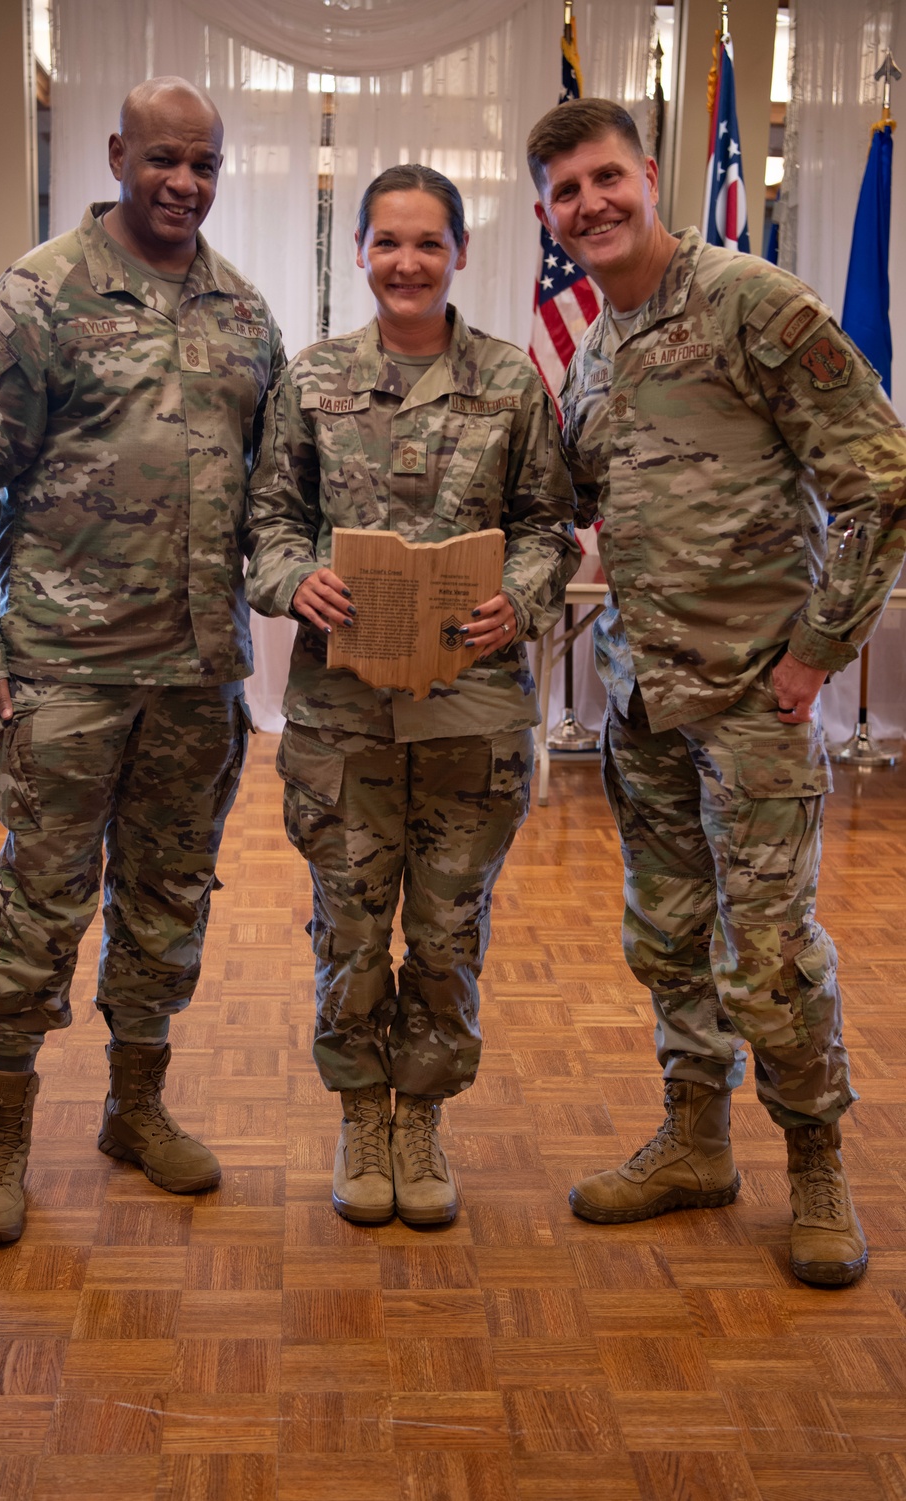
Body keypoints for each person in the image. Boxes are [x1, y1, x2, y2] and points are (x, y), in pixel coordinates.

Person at [526, 97, 906, 1286]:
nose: (589, 204)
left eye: (605, 178)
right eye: (564, 193)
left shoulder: (751, 301)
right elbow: (596, 507)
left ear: (649, 175)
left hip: (754, 702)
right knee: (668, 936)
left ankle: (814, 1166)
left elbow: (880, 483)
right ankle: (695, 1139)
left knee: (773, 952)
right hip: (643, 698)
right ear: (546, 215)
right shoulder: (591, 348)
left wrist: (814, 653)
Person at [0, 77, 285, 1246]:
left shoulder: (242, 311)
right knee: (38, 905)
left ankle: (137, 1108)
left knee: (169, 900)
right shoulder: (39, 299)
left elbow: (279, 488)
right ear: (119, 151)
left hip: (196, 674)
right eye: (165, 159)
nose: (184, 183)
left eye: (205, 166)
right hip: (67, 670)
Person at [246, 165, 577, 1228]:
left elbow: (547, 528)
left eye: (427, 243)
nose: (406, 262)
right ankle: (359, 1112)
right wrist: (294, 578)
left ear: (460, 255)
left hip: (469, 714)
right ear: (359, 252)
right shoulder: (309, 382)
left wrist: (519, 601)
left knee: (444, 930)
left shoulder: (511, 383)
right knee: (347, 924)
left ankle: (421, 1115)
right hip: (341, 717)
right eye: (387, 242)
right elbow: (264, 526)